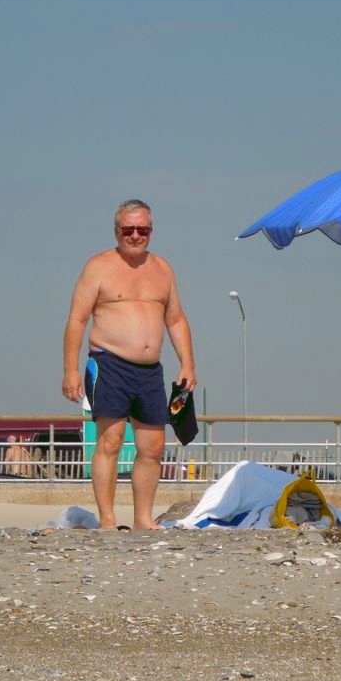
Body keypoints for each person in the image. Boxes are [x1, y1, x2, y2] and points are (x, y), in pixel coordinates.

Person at [62, 199, 196, 530]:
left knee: (153, 446)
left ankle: (143, 519)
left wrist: (188, 364)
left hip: (150, 371)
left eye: (142, 229)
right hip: (109, 364)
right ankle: (108, 519)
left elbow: (176, 320)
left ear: (151, 231)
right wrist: (70, 371)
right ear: (116, 231)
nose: (135, 235)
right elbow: (77, 320)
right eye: (128, 229)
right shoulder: (98, 267)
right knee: (110, 441)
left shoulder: (163, 269)